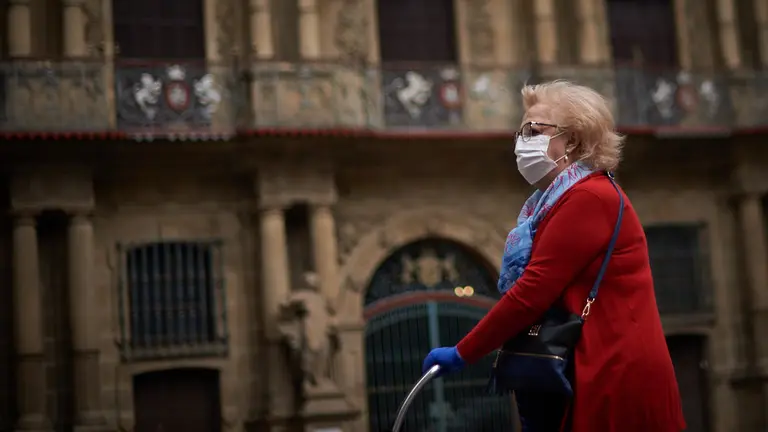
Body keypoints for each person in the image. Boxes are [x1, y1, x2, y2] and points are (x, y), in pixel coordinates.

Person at [421, 81, 686, 432]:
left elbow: (532, 291)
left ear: (572, 141)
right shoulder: (553, 203)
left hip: (612, 371)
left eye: (534, 131)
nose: (522, 142)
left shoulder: (590, 197)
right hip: (590, 364)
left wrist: (463, 352)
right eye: (520, 132)